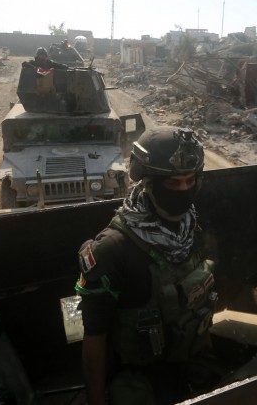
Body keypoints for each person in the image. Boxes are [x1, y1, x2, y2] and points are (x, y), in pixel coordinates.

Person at [76, 127, 218, 405]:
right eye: (173, 183)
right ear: (149, 184)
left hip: (188, 362)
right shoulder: (113, 250)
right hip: (139, 377)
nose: (184, 190)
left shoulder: (192, 229)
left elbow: (200, 301)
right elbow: (95, 338)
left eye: (190, 181)